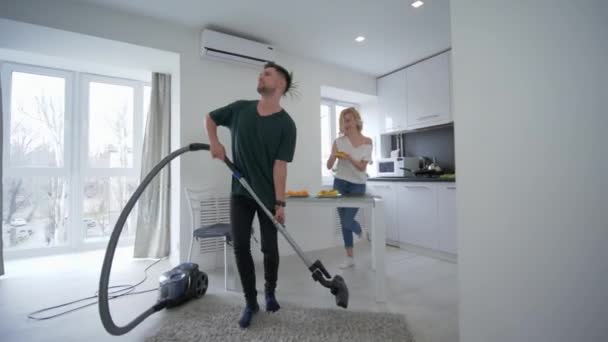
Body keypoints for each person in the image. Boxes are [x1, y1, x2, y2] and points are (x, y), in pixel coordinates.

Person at [205, 62, 297, 328]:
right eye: (261, 73)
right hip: (241, 193)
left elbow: (280, 167)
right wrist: (214, 141)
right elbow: (209, 118)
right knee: (241, 246)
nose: (261, 75)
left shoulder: (287, 125)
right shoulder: (240, 109)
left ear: (280, 84)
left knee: (270, 248)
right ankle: (250, 301)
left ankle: (270, 291)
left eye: (267, 74)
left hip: (268, 196)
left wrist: (280, 203)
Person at [326, 107, 372, 269]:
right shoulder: (338, 142)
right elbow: (329, 165)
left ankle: (359, 229)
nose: (346, 124)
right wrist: (334, 155)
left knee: (347, 221)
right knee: (343, 221)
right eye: (343, 121)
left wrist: (348, 157)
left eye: (349, 120)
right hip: (339, 184)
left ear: (357, 121)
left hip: (357, 186)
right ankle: (350, 258)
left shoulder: (367, 142)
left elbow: (362, 168)